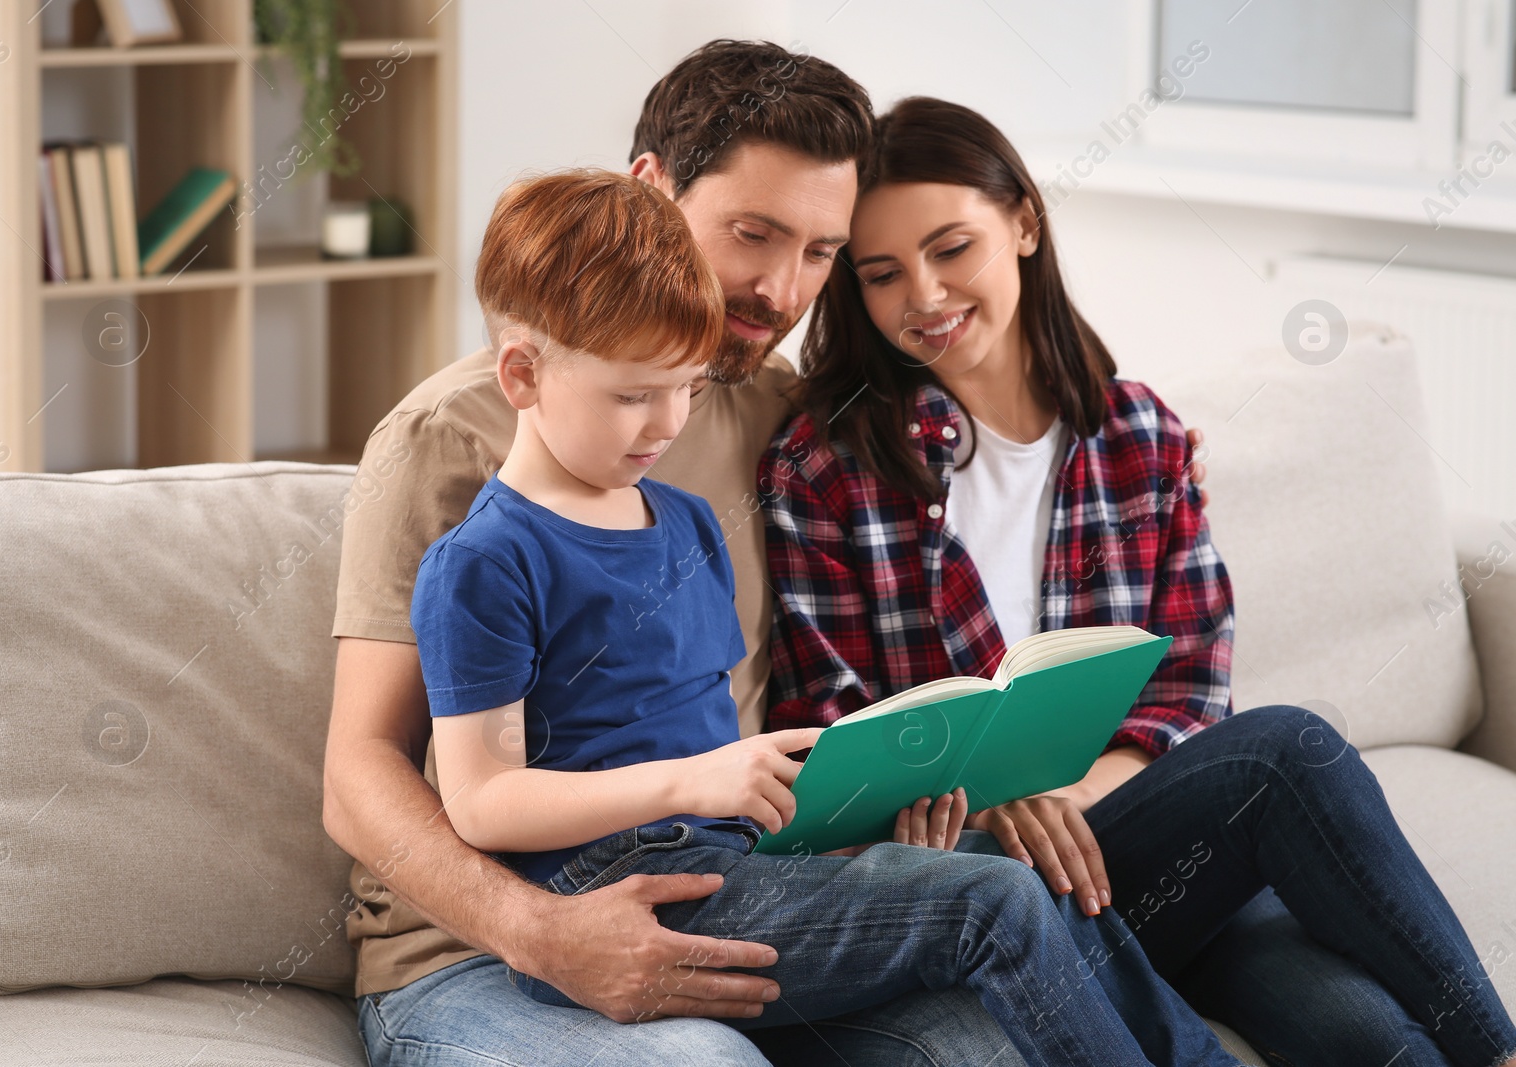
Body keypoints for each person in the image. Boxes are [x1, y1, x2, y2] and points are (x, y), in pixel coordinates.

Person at [321, 40, 1213, 1067]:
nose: (780, 289)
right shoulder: (452, 436)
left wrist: (1146, 441)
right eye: (753, 233)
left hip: (731, 878)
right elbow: (359, 770)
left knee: (989, 1046)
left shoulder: (781, 412)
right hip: (475, 947)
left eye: (820, 251)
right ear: (650, 189)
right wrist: (542, 934)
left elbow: (985, 457)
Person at [759, 94, 1516, 1067]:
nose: (924, 294)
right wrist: (990, 805)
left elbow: (1192, 691)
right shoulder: (825, 469)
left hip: (1150, 843)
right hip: (983, 878)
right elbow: (832, 729)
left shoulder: (1139, 436)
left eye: (953, 248)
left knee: (1366, 1033)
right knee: (1288, 748)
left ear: (1023, 223)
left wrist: (1067, 800)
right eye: (881, 273)